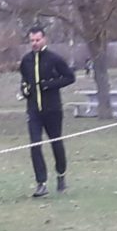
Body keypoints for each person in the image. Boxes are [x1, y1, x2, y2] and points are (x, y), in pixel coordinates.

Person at [19, 25, 76, 197]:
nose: (34, 43)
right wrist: (25, 90)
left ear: (44, 39)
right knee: (35, 145)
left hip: (52, 110)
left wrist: (48, 85)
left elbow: (69, 77)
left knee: (56, 143)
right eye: (32, 41)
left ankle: (61, 175)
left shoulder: (54, 59)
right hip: (34, 110)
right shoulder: (26, 60)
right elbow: (23, 81)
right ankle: (41, 183)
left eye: (37, 40)